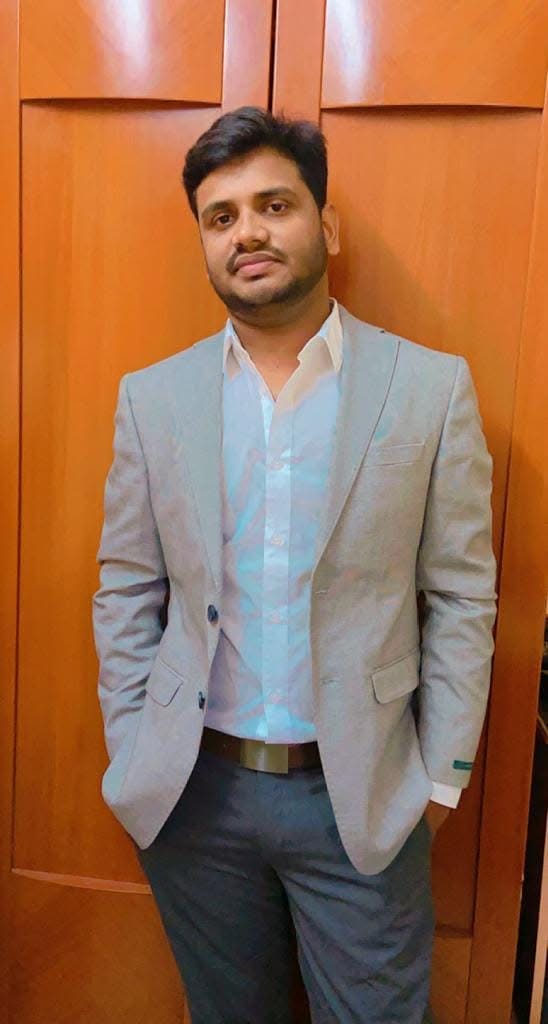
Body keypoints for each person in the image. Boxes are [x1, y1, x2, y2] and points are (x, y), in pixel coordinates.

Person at [92, 106, 498, 1024]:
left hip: (362, 797)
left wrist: (439, 780)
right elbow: (126, 588)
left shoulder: (429, 388)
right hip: (193, 796)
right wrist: (134, 750)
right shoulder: (153, 399)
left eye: (274, 205)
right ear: (205, 243)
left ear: (327, 225)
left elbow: (462, 595)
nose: (248, 233)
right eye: (221, 216)